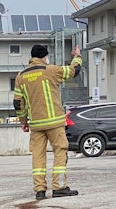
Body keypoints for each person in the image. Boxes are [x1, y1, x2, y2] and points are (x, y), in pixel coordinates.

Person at [13, 44, 83, 200]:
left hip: (36, 124)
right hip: (55, 123)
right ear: (45, 57)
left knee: (38, 155)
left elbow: (18, 102)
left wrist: (23, 121)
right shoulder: (51, 70)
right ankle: (59, 187)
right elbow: (73, 71)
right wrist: (77, 56)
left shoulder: (21, 76)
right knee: (60, 151)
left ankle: (40, 190)